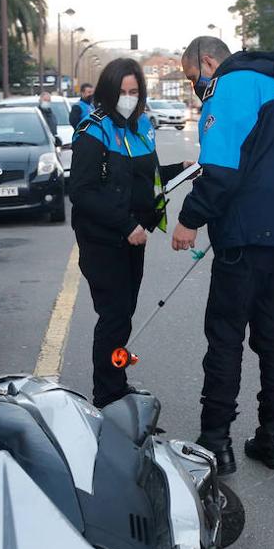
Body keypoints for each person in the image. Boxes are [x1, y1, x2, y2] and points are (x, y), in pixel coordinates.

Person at [172, 36, 274, 474]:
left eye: (191, 76)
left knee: (225, 335)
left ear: (206, 61)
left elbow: (219, 169)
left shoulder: (231, 85)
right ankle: (272, 437)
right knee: (272, 332)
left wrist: (189, 219)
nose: (196, 86)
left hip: (247, 233)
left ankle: (215, 440)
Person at [68, 58, 185, 412]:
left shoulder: (141, 127)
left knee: (124, 314)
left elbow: (142, 180)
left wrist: (180, 170)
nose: (129, 98)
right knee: (115, 315)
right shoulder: (93, 131)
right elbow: (83, 192)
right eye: (122, 92)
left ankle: (116, 384)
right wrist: (126, 225)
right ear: (107, 92)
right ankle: (107, 395)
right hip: (104, 240)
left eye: (135, 92)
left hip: (134, 237)